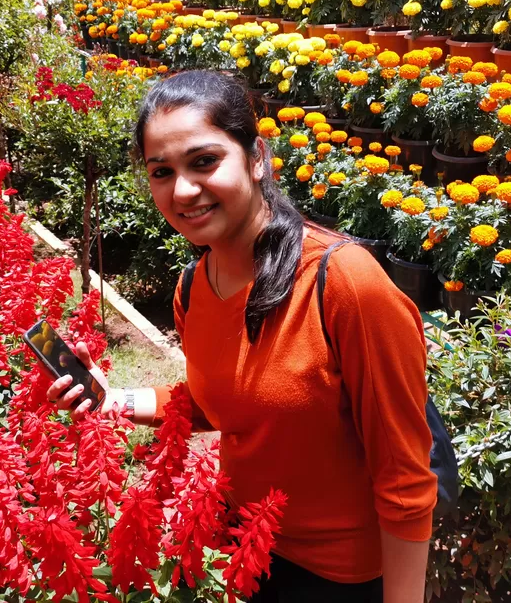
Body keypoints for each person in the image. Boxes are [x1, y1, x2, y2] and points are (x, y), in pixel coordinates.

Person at [48, 70, 437, 602]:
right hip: (239, 552)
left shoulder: (345, 284)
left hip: (337, 579)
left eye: (204, 161)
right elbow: (226, 402)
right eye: (162, 171)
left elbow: (406, 481)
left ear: (257, 158)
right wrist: (114, 399)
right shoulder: (193, 287)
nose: (183, 190)